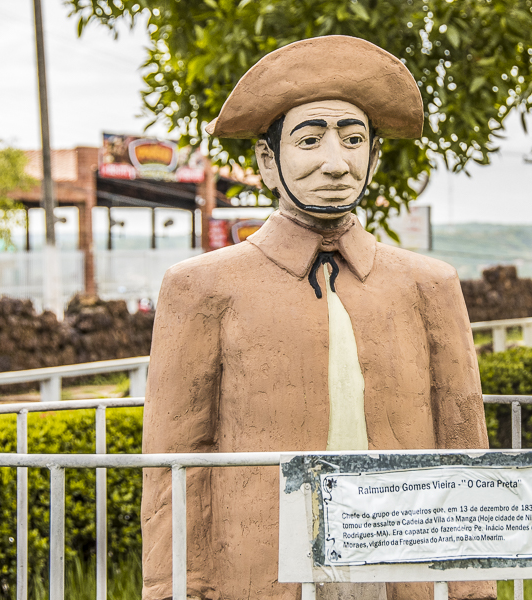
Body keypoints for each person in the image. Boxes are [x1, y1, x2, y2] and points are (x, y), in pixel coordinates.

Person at [141, 35, 494, 600]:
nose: (336, 163)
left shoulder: (429, 285)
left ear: (374, 156)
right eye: (309, 139)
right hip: (262, 574)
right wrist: (174, 587)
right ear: (267, 159)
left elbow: (464, 443)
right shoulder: (201, 287)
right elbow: (175, 463)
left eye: (354, 140)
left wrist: (472, 585)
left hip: (399, 565)